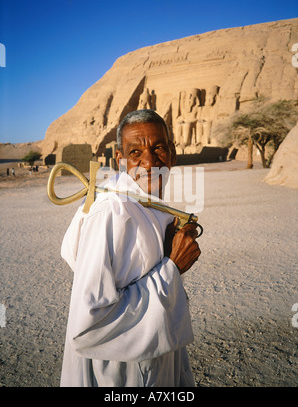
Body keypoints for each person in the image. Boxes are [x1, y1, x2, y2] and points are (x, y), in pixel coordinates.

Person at [60, 109, 201, 387]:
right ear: (120, 160)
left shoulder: (146, 204)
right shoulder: (111, 212)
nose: (149, 162)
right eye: (135, 152)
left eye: (158, 148)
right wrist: (173, 267)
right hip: (120, 377)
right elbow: (90, 325)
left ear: (172, 153)